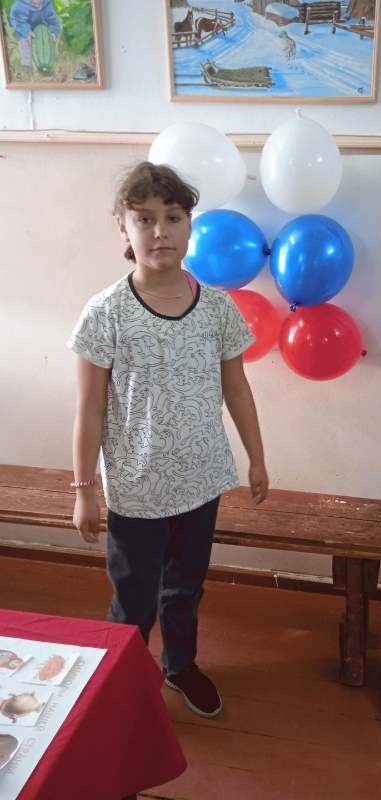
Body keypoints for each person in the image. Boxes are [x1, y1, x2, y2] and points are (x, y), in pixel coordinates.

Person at [68, 162, 268, 718]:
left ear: (189, 225)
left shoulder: (218, 308)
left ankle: (180, 666)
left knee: (185, 589)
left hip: (201, 481)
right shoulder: (105, 313)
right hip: (136, 489)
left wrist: (257, 458)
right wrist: (85, 490)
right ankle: (122, 682)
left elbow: (237, 388)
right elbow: (89, 409)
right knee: (134, 600)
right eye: (145, 219)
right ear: (123, 227)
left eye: (173, 217)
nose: (160, 231)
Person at [9, 0, 61, 68]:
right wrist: (26, 32)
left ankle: (45, 66)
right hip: (24, 32)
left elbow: (52, 18)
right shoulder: (20, 6)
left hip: (42, 32)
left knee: (45, 51)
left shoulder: (47, 3)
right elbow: (16, 21)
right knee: (26, 49)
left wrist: (54, 31)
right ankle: (27, 66)